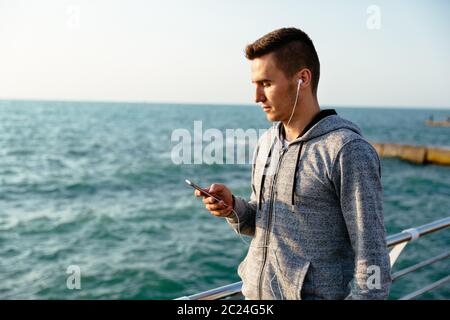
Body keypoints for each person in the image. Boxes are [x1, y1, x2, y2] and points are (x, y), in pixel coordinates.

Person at [194, 27, 391, 300]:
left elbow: (373, 261)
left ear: (302, 79)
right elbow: (258, 222)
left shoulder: (347, 151)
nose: (256, 97)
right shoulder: (267, 143)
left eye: (266, 84)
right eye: (254, 84)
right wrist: (232, 208)